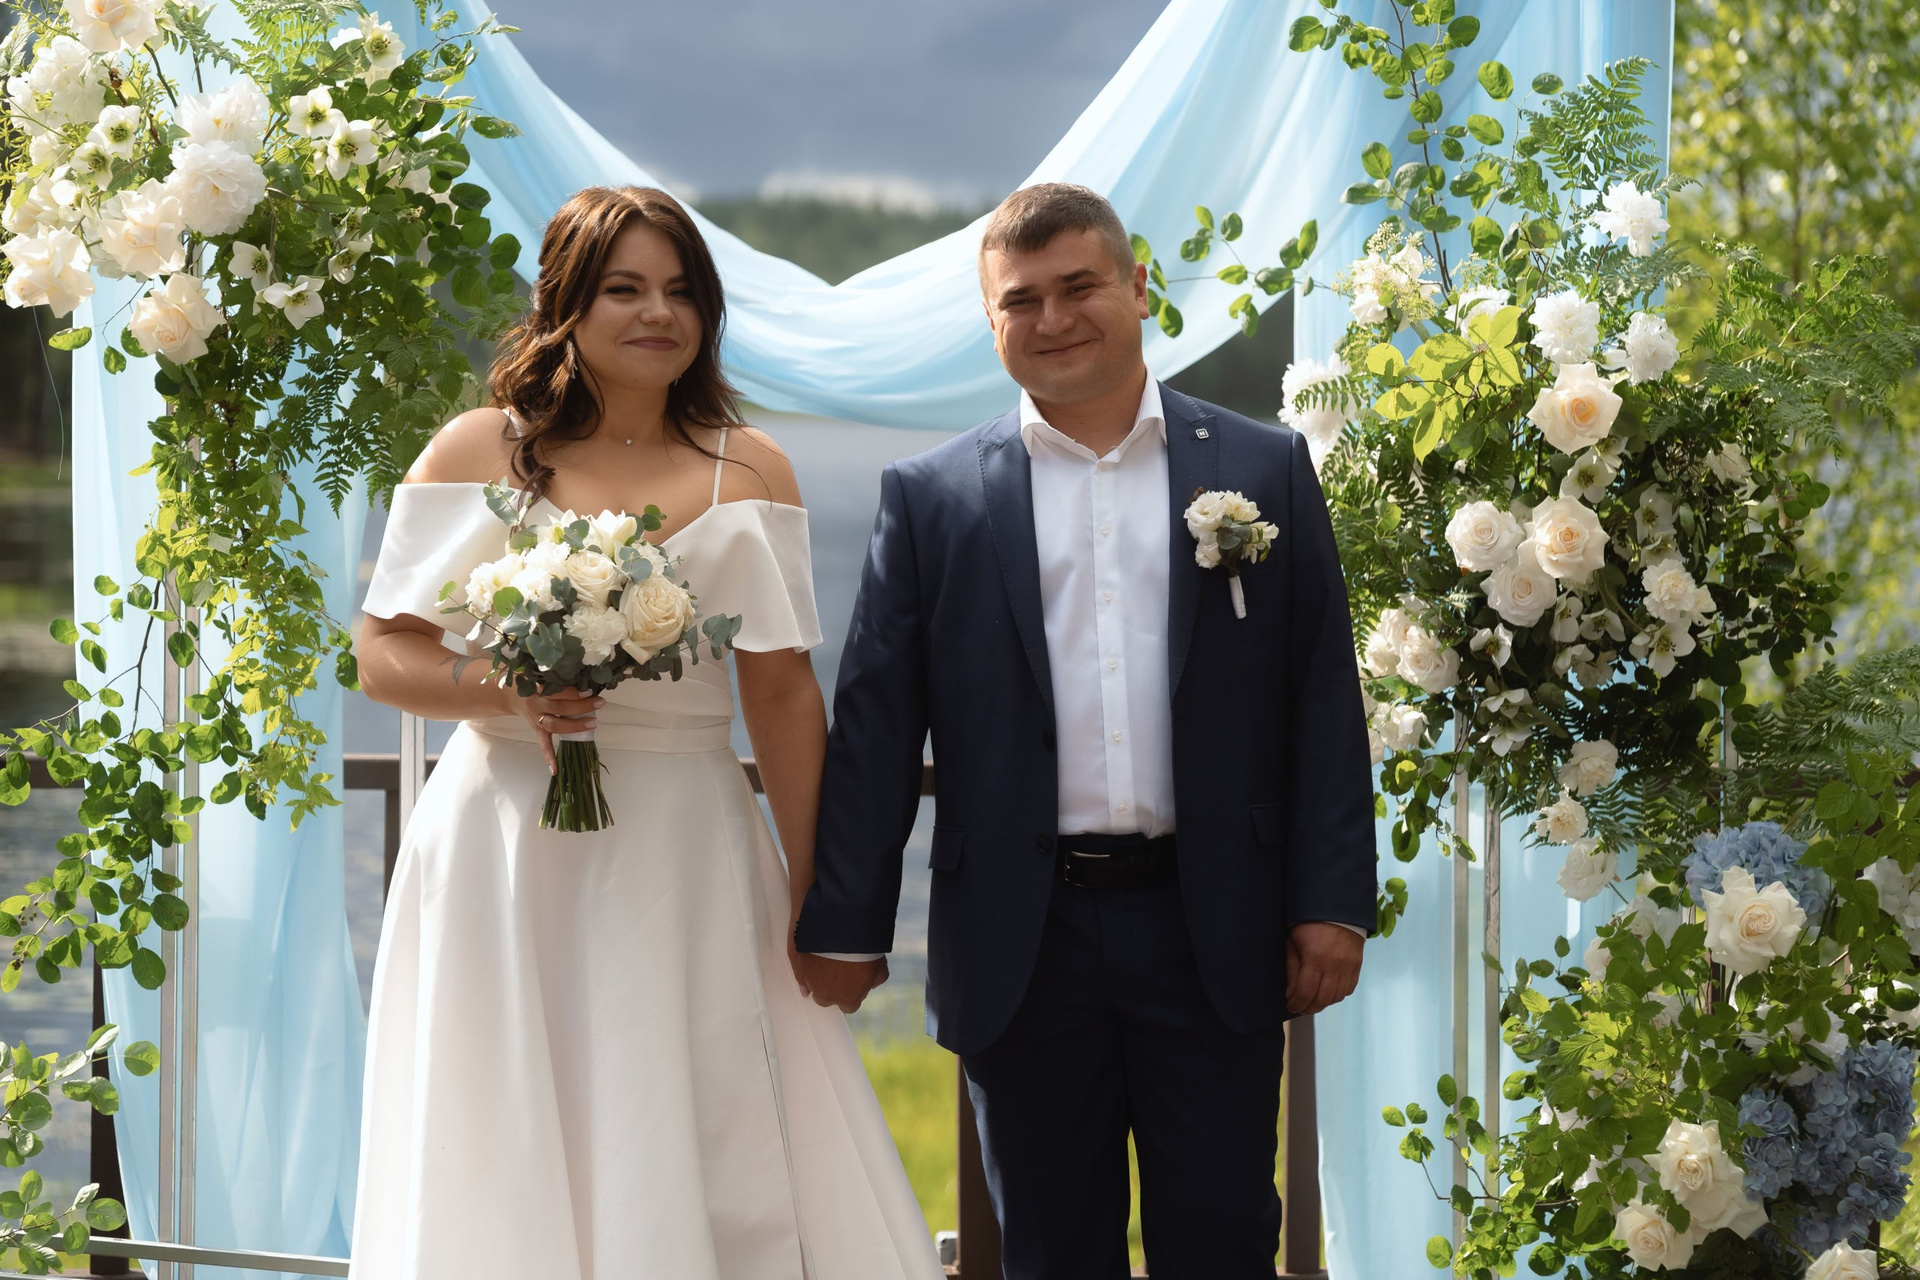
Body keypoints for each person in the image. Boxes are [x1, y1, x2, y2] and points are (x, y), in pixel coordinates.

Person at [350, 185, 940, 1280]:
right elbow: (383, 650)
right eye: (624, 288)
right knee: (502, 1116)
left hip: (685, 847)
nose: (657, 312)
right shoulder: (479, 448)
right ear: (564, 304)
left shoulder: (749, 465)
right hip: (502, 845)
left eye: (680, 291)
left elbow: (783, 696)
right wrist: (504, 690)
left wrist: (822, 898)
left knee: (692, 1106)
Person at [795, 183, 1378, 1279]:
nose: (1053, 318)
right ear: (991, 321)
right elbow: (876, 727)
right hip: (1023, 940)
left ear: (1138, 287)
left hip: (1215, 927)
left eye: (1078, 287)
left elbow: (1320, 700)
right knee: (1050, 1253)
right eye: (1021, 300)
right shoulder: (930, 498)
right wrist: (848, 924)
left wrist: (1332, 900)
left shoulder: (1261, 470)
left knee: (1223, 1243)